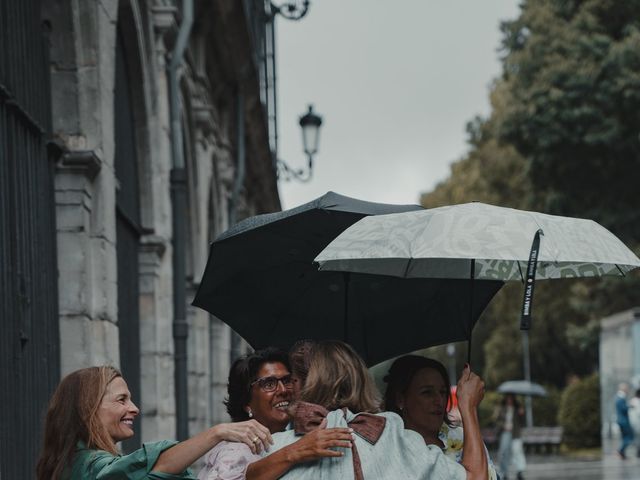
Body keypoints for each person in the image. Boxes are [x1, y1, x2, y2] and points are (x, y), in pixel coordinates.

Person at [253, 340, 488, 480]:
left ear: (307, 383)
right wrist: (468, 407)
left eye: (292, 380)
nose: (288, 388)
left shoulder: (276, 447)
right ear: (360, 377)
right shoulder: (393, 434)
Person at [36, 365, 273, 480]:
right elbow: (142, 470)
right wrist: (217, 433)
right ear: (88, 408)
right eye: (122, 400)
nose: (134, 408)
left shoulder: (72, 461)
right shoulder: (85, 465)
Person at [199, 347, 353, 480]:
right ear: (246, 403)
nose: (283, 390)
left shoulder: (298, 436)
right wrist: (294, 452)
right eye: (269, 384)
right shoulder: (236, 451)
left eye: (287, 380)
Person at [383, 355, 497, 480]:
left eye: (442, 392)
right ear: (400, 399)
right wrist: (469, 408)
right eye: (427, 392)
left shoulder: (465, 437)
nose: (439, 400)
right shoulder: (389, 450)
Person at [494, 393, 526, 480]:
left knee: (517, 451)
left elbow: (523, 422)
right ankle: (504, 473)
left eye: (511, 399)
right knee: (504, 453)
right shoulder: (502, 408)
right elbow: (497, 421)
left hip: (515, 433)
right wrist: (503, 426)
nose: (509, 400)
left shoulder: (517, 408)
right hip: (505, 433)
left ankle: (520, 472)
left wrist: (522, 414)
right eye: (508, 398)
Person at [615, 382, 634, 459]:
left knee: (625, 437)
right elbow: (623, 409)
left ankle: (622, 453)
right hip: (624, 421)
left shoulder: (618, 397)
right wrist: (630, 406)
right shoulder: (620, 397)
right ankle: (620, 451)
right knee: (629, 437)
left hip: (621, 420)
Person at [629, 387, 640, 457]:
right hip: (637, 423)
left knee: (637, 438)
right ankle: (638, 452)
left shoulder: (632, 401)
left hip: (633, 422)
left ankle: (638, 451)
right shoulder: (637, 401)